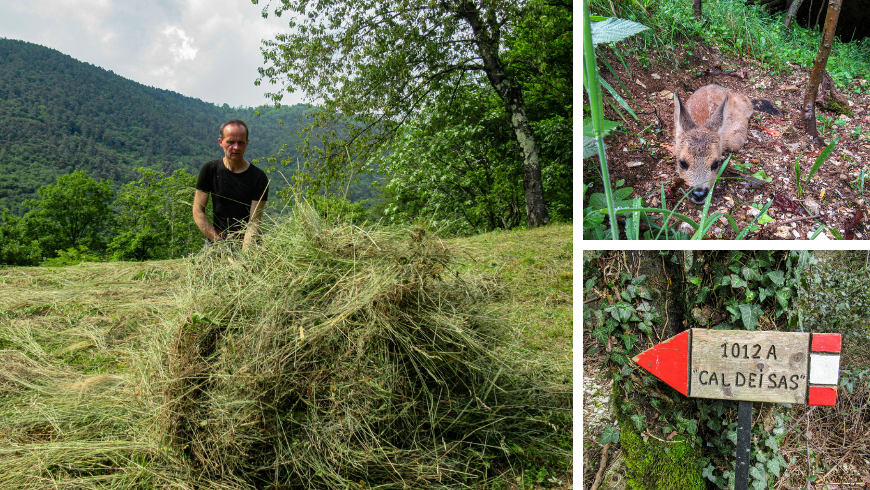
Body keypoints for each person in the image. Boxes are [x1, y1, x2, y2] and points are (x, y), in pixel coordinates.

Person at [193, 120, 269, 250]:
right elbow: (198, 211)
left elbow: (254, 221)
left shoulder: (259, 178)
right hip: (215, 239)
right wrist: (219, 243)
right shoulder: (210, 170)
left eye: (240, 142)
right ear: (220, 142)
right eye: (230, 142)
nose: (236, 147)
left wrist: (245, 256)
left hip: (247, 241)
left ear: (247, 143)